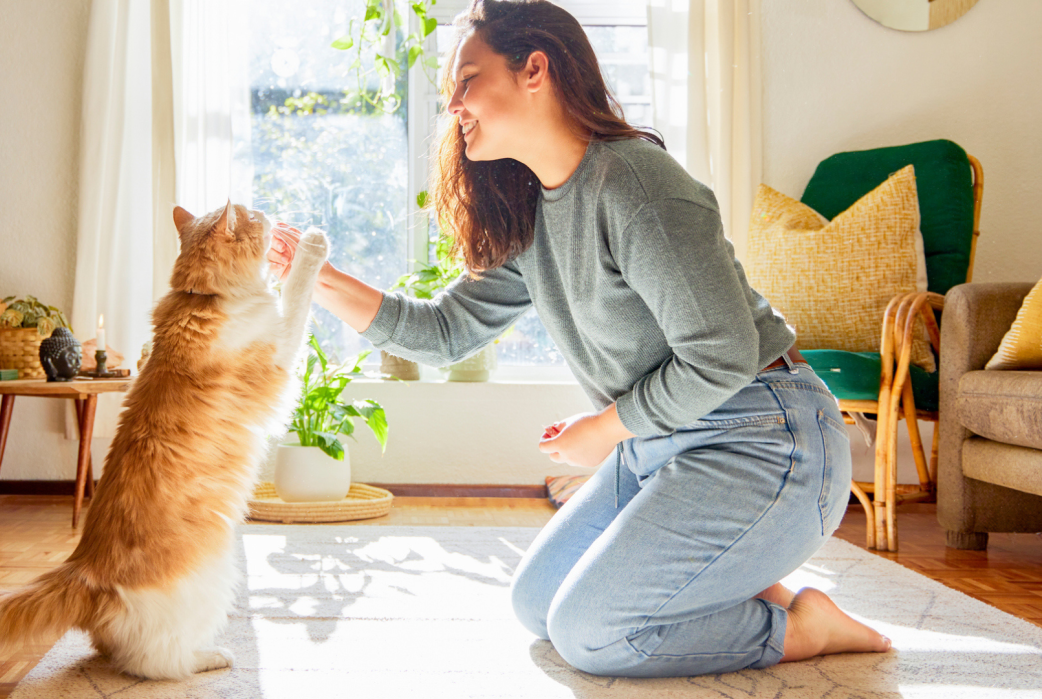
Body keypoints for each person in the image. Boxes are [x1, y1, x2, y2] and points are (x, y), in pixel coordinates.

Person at [267, 0, 891, 679]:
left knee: (593, 632)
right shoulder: (534, 213)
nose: (453, 105)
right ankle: (736, 574)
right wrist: (317, 277)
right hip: (663, 448)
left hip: (770, 441)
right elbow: (443, 334)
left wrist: (605, 428)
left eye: (467, 79)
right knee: (537, 605)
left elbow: (723, 354)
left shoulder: (636, 184)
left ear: (534, 69)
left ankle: (802, 625)